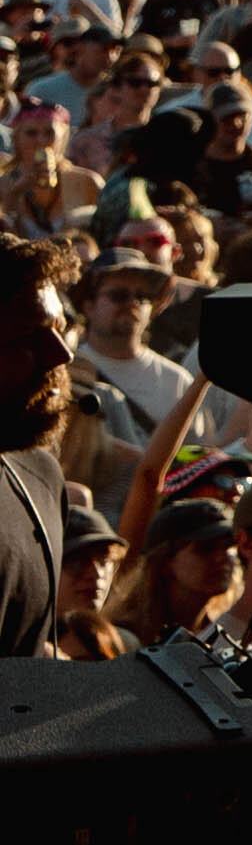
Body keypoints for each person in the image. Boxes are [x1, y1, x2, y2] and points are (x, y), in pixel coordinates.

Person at [0, 237, 110, 655]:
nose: (60, 356)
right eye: (31, 336)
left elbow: (35, 653)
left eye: (61, 330)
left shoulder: (41, 478)